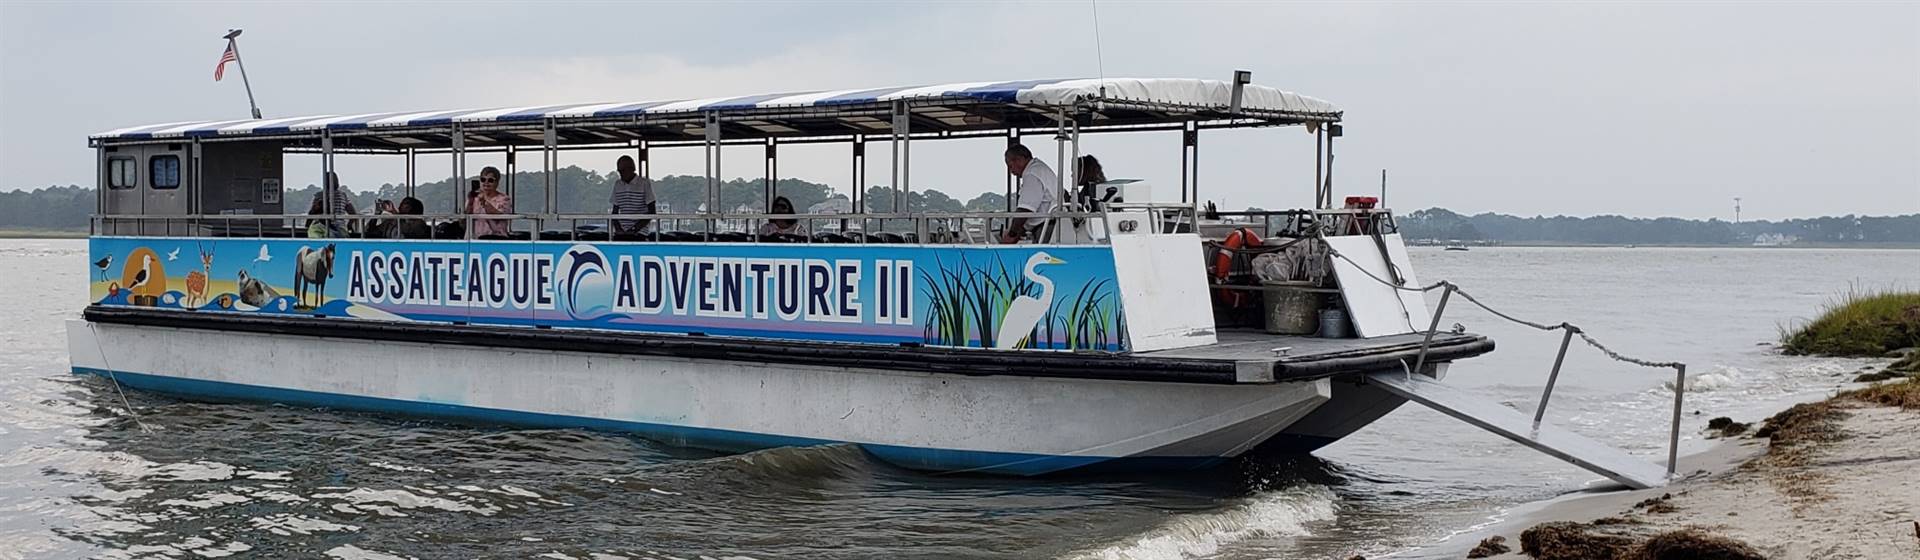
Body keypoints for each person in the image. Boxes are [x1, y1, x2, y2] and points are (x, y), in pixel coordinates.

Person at [999, 143, 1058, 244]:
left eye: (1010, 165)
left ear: (1020, 159)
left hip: (1046, 229)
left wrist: (1011, 234)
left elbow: (1025, 209)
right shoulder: (1041, 169)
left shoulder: (1032, 174)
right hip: (1052, 226)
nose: (1011, 171)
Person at [609, 155, 656, 235]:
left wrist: (634, 229)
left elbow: (652, 211)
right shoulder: (618, 184)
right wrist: (618, 229)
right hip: (621, 232)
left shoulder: (644, 183)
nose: (621, 174)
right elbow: (614, 212)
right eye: (619, 171)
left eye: (623, 170)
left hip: (640, 232)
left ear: (632, 169)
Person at [466, 166, 512, 238]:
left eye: (490, 180)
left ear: (497, 182)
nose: (486, 183)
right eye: (483, 179)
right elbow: (463, 220)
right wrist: (470, 202)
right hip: (474, 238)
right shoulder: (474, 198)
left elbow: (498, 215)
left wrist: (484, 202)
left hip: (496, 238)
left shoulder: (504, 199)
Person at [308, 172, 357, 237]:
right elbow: (353, 214)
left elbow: (312, 213)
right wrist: (349, 225)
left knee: (313, 230)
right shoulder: (343, 195)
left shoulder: (320, 195)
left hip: (322, 228)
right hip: (341, 228)